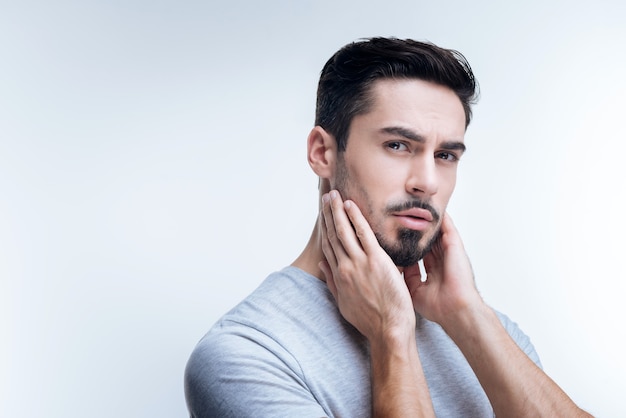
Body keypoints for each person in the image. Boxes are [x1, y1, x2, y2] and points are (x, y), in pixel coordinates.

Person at [184, 37, 590, 417]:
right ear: (323, 152)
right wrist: (391, 334)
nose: (427, 181)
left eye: (446, 155)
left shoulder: (491, 333)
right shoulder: (247, 354)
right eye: (397, 145)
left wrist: (470, 318)